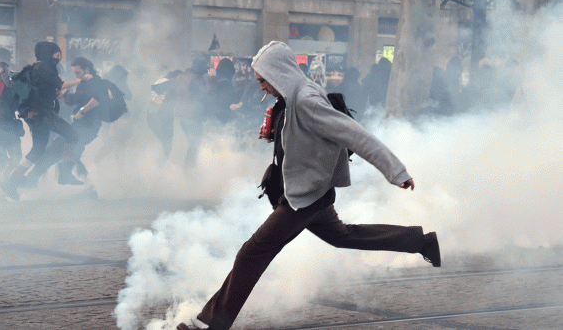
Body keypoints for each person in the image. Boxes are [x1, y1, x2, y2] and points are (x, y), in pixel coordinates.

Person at [176, 41, 441, 330]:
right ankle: (421, 241)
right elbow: (303, 136)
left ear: (278, 73)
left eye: (263, 80)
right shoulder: (292, 97)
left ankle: (210, 324)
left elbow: (355, 134)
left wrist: (396, 170)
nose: (261, 87)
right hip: (314, 193)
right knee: (344, 236)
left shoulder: (306, 100)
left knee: (252, 253)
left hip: (304, 199)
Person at [0, 41, 91, 200]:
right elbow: (61, 83)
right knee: (73, 135)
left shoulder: (37, 68)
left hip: (35, 114)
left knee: (38, 149)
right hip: (43, 115)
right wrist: (81, 80)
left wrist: (57, 94)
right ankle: (65, 173)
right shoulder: (44, 68)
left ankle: (11, 181)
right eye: (56, 53)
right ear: (48, 53)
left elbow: (46, 90)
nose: (58, 56)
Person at [22, 56, 106, 187]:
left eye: (78, 72)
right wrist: (65, 94)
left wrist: (82, 110)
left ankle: (32, 181)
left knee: (60, 151)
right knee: (59, 152)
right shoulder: (83, 82)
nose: (76, 75)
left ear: (87, 69)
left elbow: (97, 99)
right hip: (79, 125)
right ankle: (87, 187)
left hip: (89, 126)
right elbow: (75, 100)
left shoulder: (96, 82)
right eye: (74, 73)